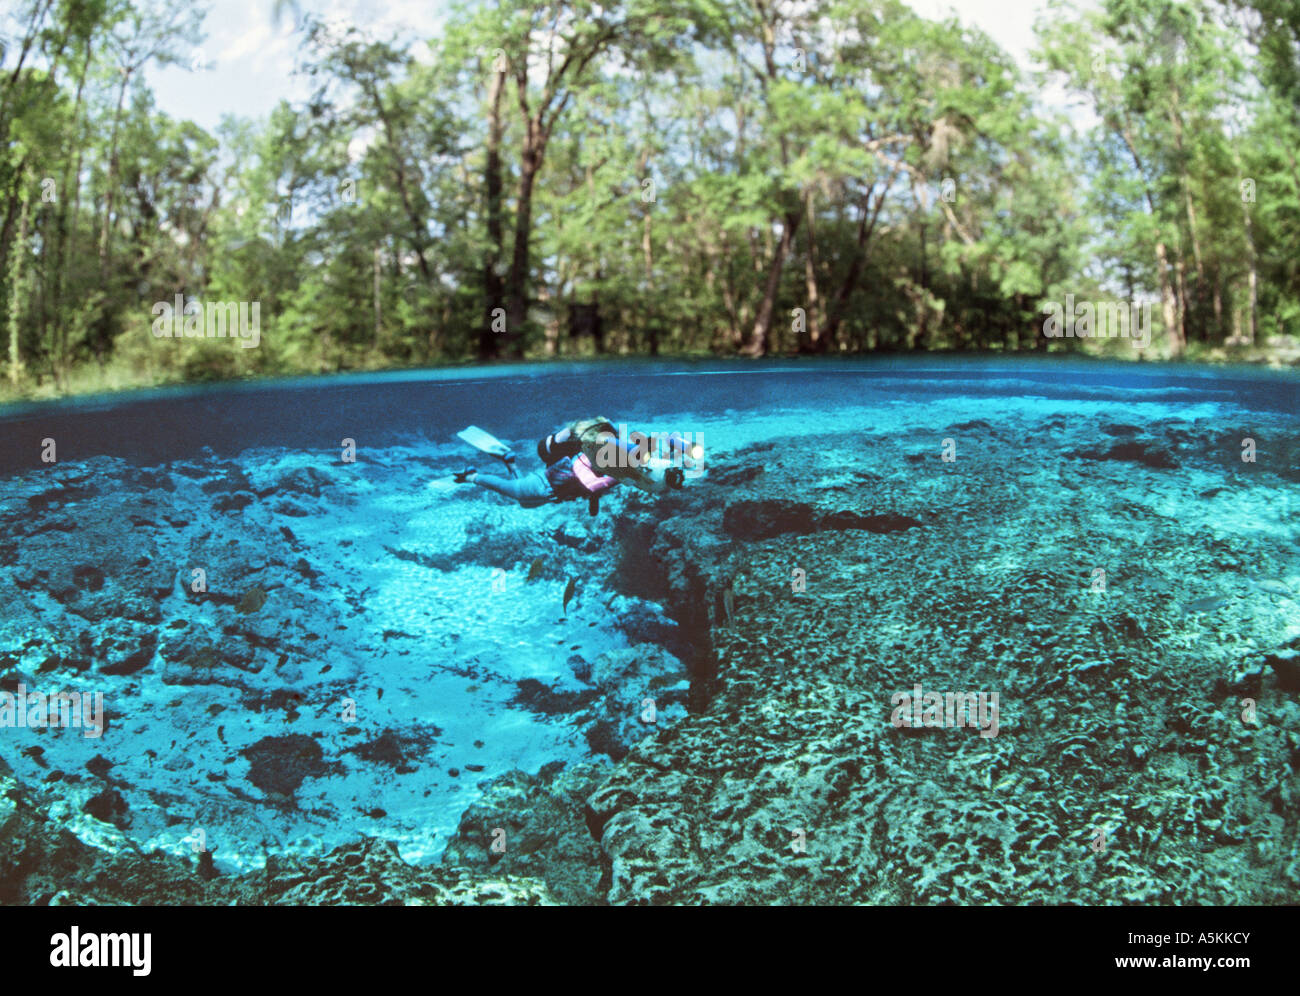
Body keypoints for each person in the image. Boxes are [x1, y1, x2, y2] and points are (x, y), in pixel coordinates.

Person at [456, 416, 683, 515]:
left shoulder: (616, 467)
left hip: (551, 488)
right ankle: (472, 476)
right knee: (518, 494)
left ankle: (509, 461)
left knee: (525, 503)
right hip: (544, 485)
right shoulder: (599, 459)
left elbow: (596, 484)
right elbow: (591, 482)